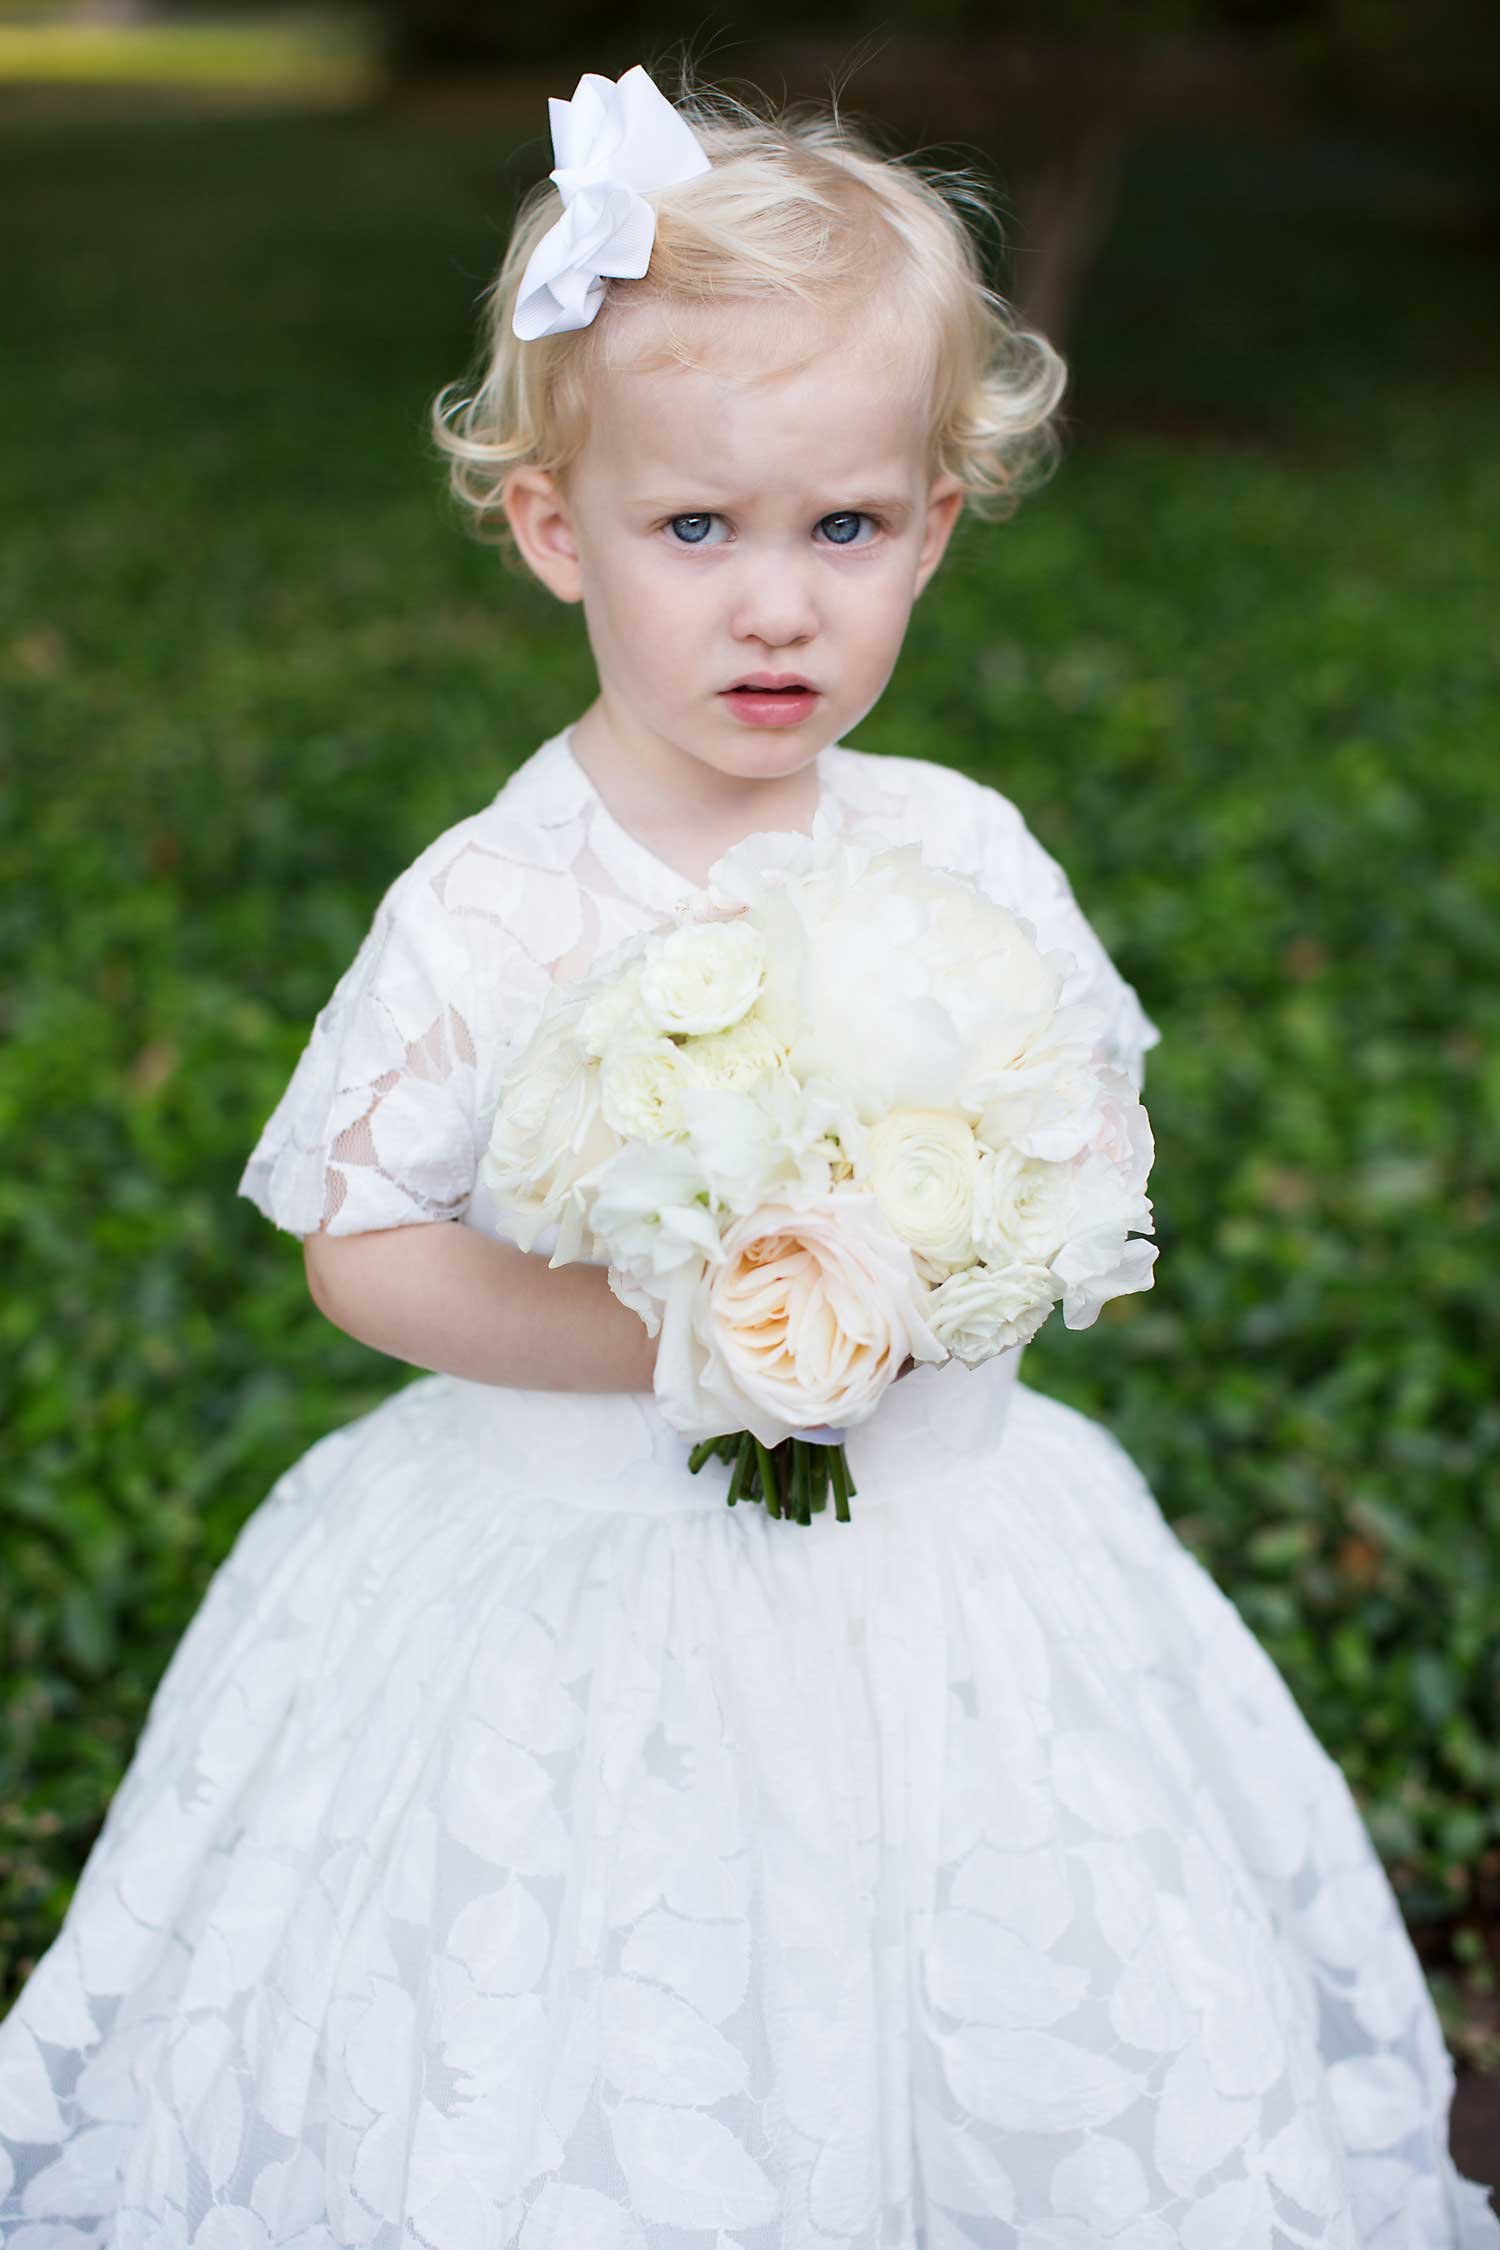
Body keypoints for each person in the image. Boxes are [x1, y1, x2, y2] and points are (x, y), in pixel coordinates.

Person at [1, 60, 1493, 2250]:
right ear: (551, 529)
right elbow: (361, 1239)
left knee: (968, 1974)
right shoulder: (499, 899)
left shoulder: (959, 847)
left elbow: (1084, 1116)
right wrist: (677, 1332)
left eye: (846, 529)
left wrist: (974, 1242)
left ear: (934, 526)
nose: (775, 604)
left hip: (950, 1570)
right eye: (696, 529)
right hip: (567, 1586)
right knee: (605, 2014)